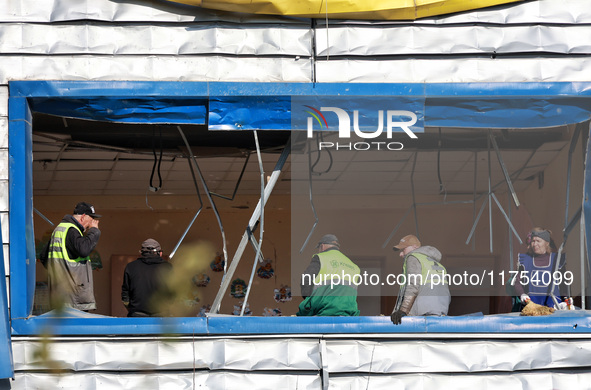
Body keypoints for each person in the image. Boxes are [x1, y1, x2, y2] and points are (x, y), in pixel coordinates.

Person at [40, 202, 101, 311]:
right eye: (91, 219)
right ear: (83, 217)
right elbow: (84, 249)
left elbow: (44, 257)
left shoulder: (60, 230)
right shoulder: (72, 231)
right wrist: (94, 231)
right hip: (73, 298)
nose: (91, 223)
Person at [390, 234, 450, 325]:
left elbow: (413, 286)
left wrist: (403, 311)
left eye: (403, 249)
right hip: (440, 312)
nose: (401, 254)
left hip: (422, 312)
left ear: (415, 247)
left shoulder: (413, 257)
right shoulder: (435, 263)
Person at [297, 234, 361, 316]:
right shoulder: (354, 266)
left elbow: (306, 280)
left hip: (324, 310)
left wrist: (308, 300)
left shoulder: (321, 258)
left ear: (322, 246)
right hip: (348, 312)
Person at [513, 227, 567, 309]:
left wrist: (566, 300)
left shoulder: (557, 260)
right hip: (532, 308)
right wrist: (522, 294)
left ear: (547, 243)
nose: (535, 244)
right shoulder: (526, 260)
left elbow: (564, 284)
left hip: (554, 307)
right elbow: (517, 282)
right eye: (533, 241)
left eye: (538, 241)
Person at [121, 238, 172, 317]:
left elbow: (125, 296)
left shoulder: (131, 267)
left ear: (141, 253)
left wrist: (131, 309)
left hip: (137, 316)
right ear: (160, 253)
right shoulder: (168, 267)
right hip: (162, 317)